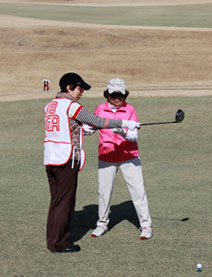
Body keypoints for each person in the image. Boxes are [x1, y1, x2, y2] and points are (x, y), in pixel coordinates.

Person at [44, 73, 140, 253]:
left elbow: (71, 127)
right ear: (69, 87)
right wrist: (125, 122)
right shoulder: (71, 105)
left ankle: (53, 240)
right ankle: (61, 243)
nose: (82, 93)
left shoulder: (49, 105)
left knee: (56, 201)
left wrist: (83, 130)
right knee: (65, 202)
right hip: (66, 159)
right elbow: (96, 120)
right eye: (80, 88)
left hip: (50, 158)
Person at [83, 78, 153, 240]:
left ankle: (146, 225)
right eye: (113, 94)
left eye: (120, 95)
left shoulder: (130, 110)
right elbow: (90, 128)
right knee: (104, 192)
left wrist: (122, 132)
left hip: (129, 156)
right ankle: (102, 224)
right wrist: (83, 128)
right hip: (107, 155)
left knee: (138, 191)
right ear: (107, 94)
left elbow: (134, 136)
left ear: (124, 95)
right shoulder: (100, 109)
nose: (116, 98)